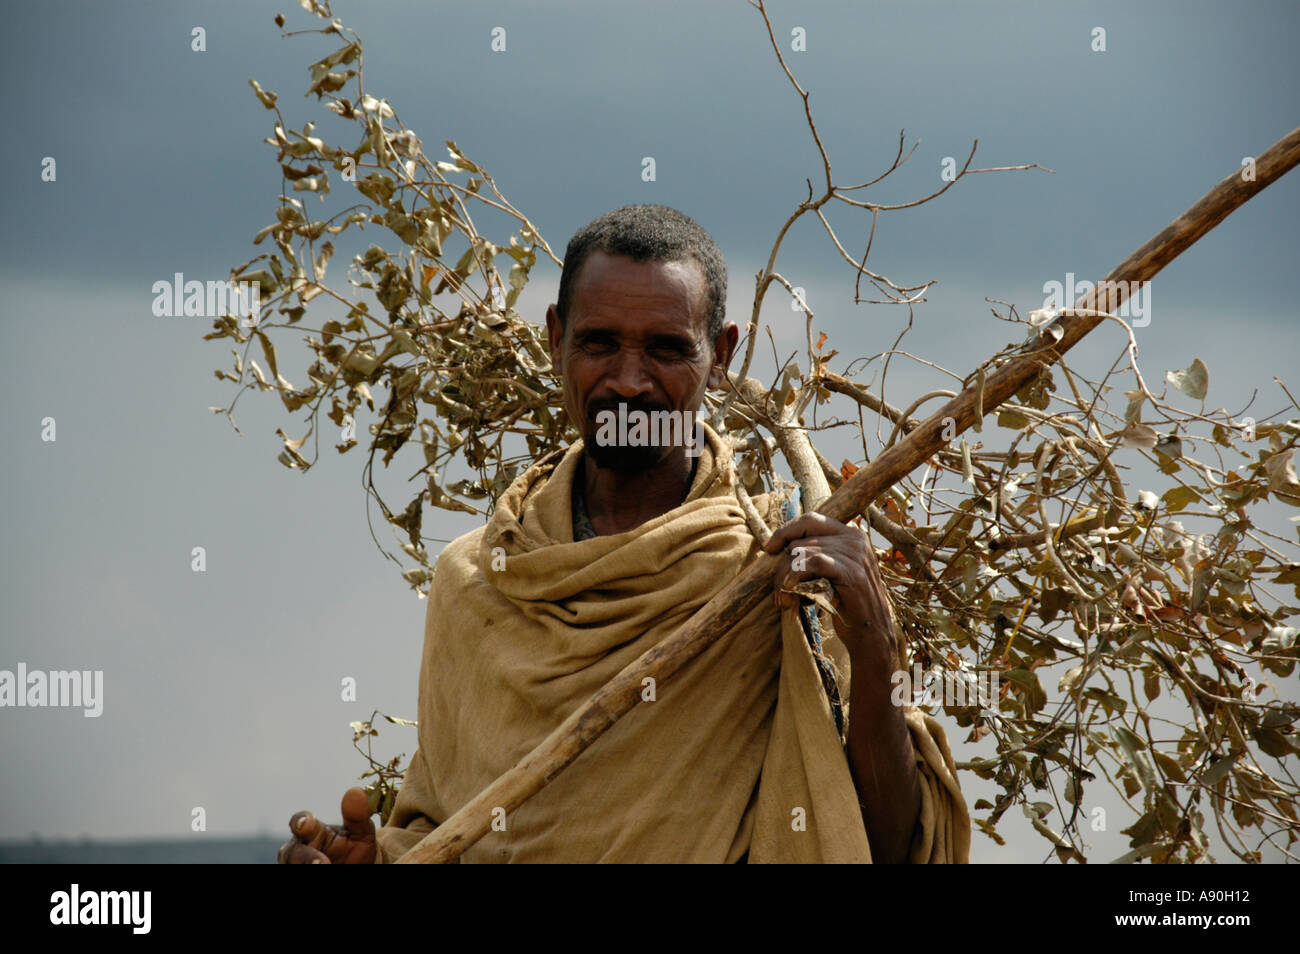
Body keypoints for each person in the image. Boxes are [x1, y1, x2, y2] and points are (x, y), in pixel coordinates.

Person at [278, 204, 969, 864]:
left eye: (667, 350)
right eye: (599, 344)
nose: (630, 383)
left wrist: (877, 650)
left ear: (721, 354)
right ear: (555, 338)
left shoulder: (778, 575)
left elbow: (880, 846)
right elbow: (445, 833)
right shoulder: (476, 583)